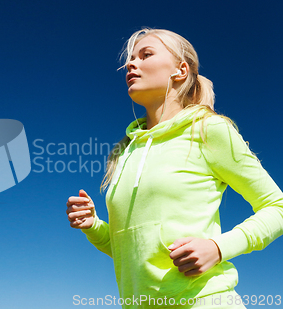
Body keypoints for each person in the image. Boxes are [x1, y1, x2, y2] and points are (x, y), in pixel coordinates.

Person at [66, 28, 283, 308]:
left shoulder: (208, 130)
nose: (132, 64)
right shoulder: (125, 151)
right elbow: (133, 252)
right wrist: (93, 226)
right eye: (130, 58)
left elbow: (277, 207)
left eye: (146, 55)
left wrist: (218, 248)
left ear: (180, 70)